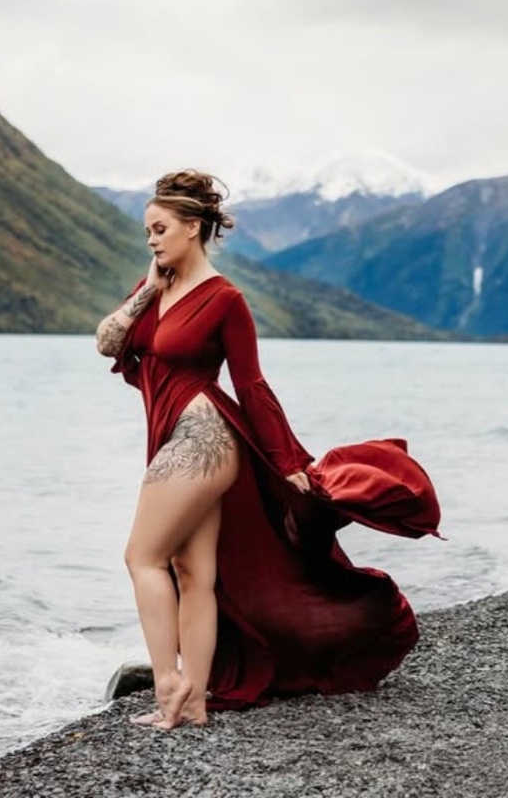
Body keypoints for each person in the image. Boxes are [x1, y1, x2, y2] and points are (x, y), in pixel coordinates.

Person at [95, 169, 440, 730]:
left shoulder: (226, 299)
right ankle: (197, 703)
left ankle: (168, 693)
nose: (152, 240)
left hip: (202, 437)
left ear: (192, 227)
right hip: (179, 435)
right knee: (193, 571)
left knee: (142, 557)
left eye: (160, 229)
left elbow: (251, 385)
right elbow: (107, 341)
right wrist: (149, 292)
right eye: (147, 231)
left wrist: (286, 463)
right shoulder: (156, 286)